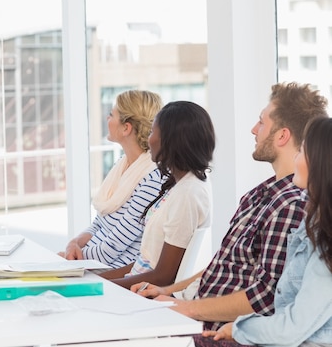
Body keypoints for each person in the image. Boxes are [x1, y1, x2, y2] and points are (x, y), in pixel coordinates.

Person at [131, 82, 328, 333]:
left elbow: (264, 296)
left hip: (214, 329)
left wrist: (185, 308)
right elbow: (224, 265)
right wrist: (168, 292)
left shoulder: (289, 206)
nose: (253, 130)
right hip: (195, 313)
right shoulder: (259, 194)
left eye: (261, 123)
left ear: (282, 136)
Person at [200, 116, 332, 347]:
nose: (295, 158)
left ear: (319, 162)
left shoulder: (324, 241)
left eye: (301, 151)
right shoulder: (311, 224)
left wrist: (239, 328)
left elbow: (291, 329)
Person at [99, 100, 215, 289]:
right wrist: (99, 280)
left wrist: (104, 286)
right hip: (136, 285)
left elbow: (163, 276)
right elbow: (145, 263)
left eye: (153, 132)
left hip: (142, 295)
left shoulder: (188, 193)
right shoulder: (180, 185)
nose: (149, 139)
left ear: (171, 140)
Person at [59, 90, 163, 268]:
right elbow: (100, 222)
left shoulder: (152, 179)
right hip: (92, 262)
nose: (107, 119)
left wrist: (75, 259)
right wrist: (74, 243)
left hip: (113, 272)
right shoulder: (123, 166)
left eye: (111, 114)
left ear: (126, 128)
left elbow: (113, 247)